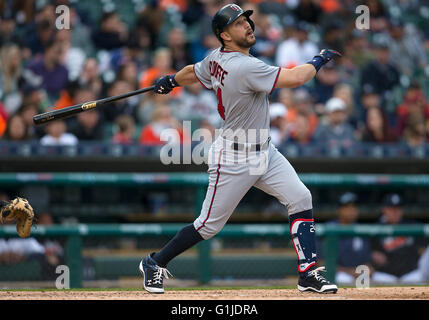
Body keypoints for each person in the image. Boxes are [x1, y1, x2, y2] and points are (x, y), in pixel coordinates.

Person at [138, 4, 341, 294]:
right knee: (208, 226)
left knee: (300, 197)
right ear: (224, 35)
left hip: (264, 151)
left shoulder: (216, 58)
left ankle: (308, 273)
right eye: (238, 23)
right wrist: (319, 59)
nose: (247, 25)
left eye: (246, 20)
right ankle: (154, 262)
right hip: (233, 157)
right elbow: (297, 78)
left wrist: (170, 81)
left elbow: (191, 72)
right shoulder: (245, 66)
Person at [371, 193, 429, 284]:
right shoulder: (375, 229)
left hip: (411, 275)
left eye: (398, 208)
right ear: (384, 209)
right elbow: (366, 251)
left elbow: (423, 248)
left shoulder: (412, 226)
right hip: (384, 275)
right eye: (391, 208)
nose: (395, 212)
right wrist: (372, 253)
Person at [326, 192, 374, 285]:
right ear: (339, 210)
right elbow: (322, 264)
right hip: (338, 274)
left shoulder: (361, 230)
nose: (351, 210)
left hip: (358, 274)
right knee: (342, 279)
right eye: (347, 207)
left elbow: (367, 261)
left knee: (374, 278)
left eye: (354, 207)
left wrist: (367, 269)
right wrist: (350, 272)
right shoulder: (329, 229)